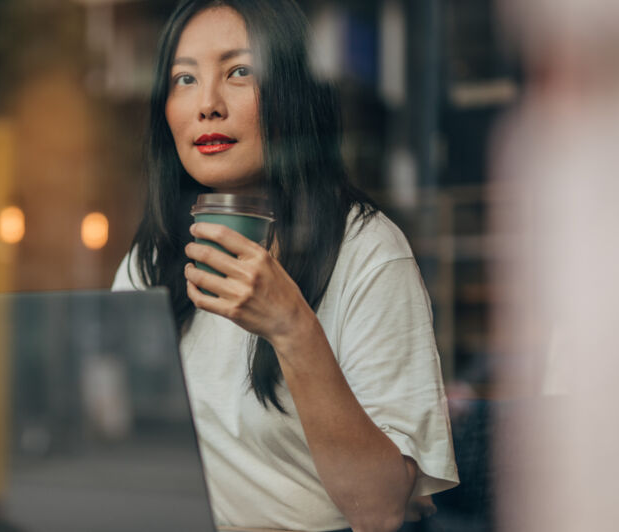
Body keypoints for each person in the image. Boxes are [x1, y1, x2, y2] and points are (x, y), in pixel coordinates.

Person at [111, 1, 458, 531]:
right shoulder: (150, 261)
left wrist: (291, 327)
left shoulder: (367, 252)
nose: (207, 104)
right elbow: (115, 455)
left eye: (239, 72)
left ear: (292, 91)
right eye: (184, 78)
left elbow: (383, 510)